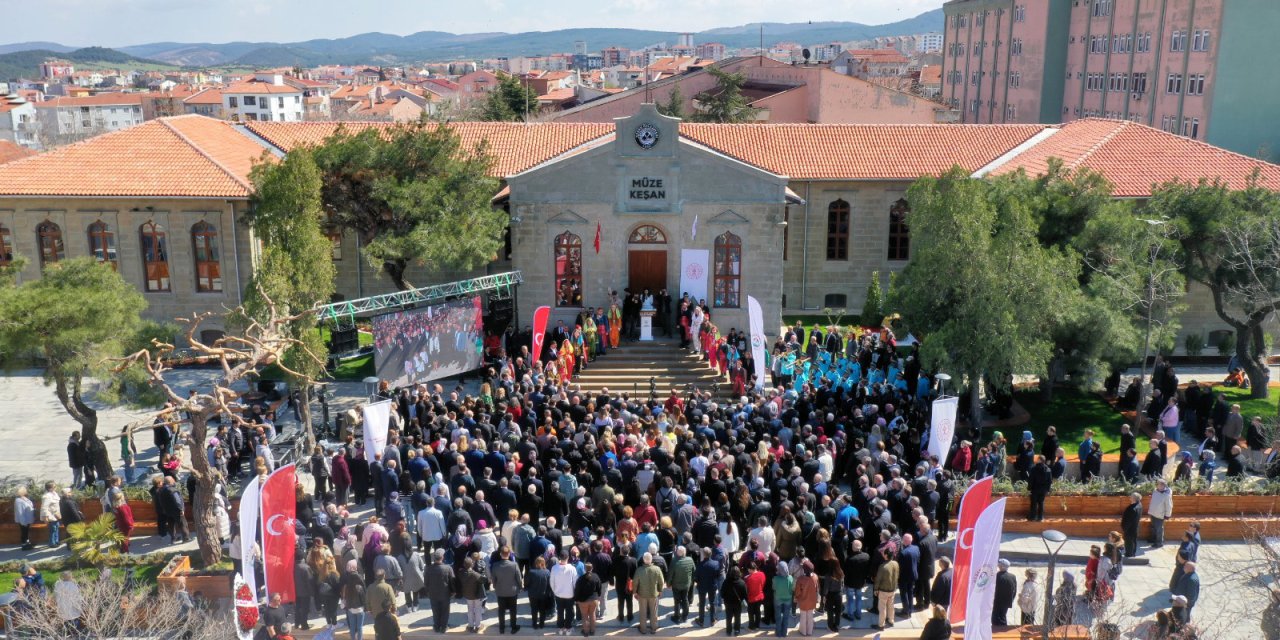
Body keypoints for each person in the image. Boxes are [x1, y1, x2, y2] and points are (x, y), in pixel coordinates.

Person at [491, 545, 523, 634]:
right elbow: (519, 579)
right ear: (509, 554)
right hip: (512, 592)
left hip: (500, 591)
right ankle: (513, 627)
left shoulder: (495, 565)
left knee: (501, 610)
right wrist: (520, 587)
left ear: (501, 554)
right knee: (513, 610)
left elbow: (494, 579)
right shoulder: (514, 565)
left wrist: (495, 586)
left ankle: (502, 628)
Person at [633, 552, 665, 635]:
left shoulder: (639, 570)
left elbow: (635, 582)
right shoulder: (657, 569)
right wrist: (660, 590)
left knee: (643, 612)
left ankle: (643, 629)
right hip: (654, 594)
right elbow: (661, 581)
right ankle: (653, 628)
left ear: (643, 560)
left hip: (642, 594)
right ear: (651, 560)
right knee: (654, 611)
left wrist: (635, 592)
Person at [551, 553, 579, 636]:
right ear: (568, 558)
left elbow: (552, 582)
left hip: (558, 594)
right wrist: (574, 592)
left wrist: (555, 591)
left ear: (559, 558)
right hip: (569, 594)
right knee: (569, 611)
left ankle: (560, 628)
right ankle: (568, 628)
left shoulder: (554, 568)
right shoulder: (572, 568)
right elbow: (575, 583)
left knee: (560, 611)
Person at [458, 556, 487, 632]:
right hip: (476, 595)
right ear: (472, 564)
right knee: (477, 610)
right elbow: (484, 580)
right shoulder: (475, 574)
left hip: (467, 595)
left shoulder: (461, 573)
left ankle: (470, 625)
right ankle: (477, 626)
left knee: (470, 610)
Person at [872, 548, 898, 631]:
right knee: (891, 606)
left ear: (886, 555)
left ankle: (881, 625)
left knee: (882, 608)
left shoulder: (883, 566)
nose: (883, 554)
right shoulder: (896, 563)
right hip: (892, 589)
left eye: (884, 553)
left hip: (884, 590)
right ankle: (891, 620)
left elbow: (878, 579)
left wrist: (876, 589)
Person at [527, 556, 554, 630]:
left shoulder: (531, 572)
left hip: (533, 595)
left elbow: (527, 583)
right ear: (543, 563)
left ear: (536, 563)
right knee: (542, 610)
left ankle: (534, 624)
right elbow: (549, 584)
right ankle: (542, 623)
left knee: (534, 610)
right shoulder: (547, 572)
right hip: (543, 595)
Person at [793, 561, 819, 637]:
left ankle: (803, 631)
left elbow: (797, 591)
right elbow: (817, 588)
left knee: (803, 617)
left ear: (804, 570)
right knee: (810, 617)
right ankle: (810, 631)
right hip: (812, 601)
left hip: (803, 601)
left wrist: (796, 597)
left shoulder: (800, 579)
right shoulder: (815, 577)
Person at [723, 564, 748, 637]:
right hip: (738, 603)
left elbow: (722, 593)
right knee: (737, 617)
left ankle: (729, 630)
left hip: (728, 603)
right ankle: (737, 630)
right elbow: (745, 594)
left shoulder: (726, 582)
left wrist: (725, 598)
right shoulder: (742, 583)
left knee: (729, 617)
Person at [1148, 479, 1173, 549]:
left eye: (1158, 484)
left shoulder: (1166, 495)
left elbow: (1169, 506)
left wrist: (1167, 515)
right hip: (1153, 513)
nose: (1157, 485)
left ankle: (1159, 543)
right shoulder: (1155, 491)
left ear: (1163, 485)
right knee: (1153, 527)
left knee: (1159, 530)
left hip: (1160, 515)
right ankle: (1153, 539)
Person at [772, 562, 796, 637]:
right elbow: (792, 589)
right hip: (788, 599)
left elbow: (774, 588)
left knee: (778, 617)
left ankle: (778, 633)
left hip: (778, 599)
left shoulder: (775, 578)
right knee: (786, 617)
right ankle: (784, 633)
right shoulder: (790, 578)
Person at [992, 559, 1016, 627]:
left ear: (1002, 566)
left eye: (999, 565)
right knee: (1003, 617)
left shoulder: (997, 576)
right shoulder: (1012, 576)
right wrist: (1011, 600)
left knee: (995, 618)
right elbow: (1014, 590)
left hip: (997, 601)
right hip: (1007, 601)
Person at [1027, 455, 1052, 522]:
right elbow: (1049, 481)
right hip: (1043, 490)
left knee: (1033, 503)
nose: (1036, 460)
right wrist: (1048, 490)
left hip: (1035, 489)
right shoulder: (1048, 469)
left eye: (1037, 459)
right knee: (1041, 503)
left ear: (1040, 460)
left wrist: (1029, 488)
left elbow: (1031, 480)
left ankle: (1032, 517)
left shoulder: (1034, 469)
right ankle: (1040, 517)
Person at [40, 482, 61, 549]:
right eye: (54, 486)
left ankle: (56, 541)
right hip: (51, 516)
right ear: (50, 488)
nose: (56, 487)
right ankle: (52, 543)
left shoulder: (55, 494)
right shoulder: (46, 496)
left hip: (56, 515)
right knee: (53, 529)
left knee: (56, 528)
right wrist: (45, 517)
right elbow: (44, 507)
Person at [1121, 492, 1142, 558]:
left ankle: (1129, 554)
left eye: (1131, 497)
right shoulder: (1140, 505)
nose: (1130, 497)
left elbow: (1128, 521)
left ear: (1134, 499)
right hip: (1135, 527)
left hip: (1130, 529)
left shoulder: (1132, 509)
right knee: (1133, 541)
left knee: (1129, 541)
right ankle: (1133, 552)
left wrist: (1124, 528)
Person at [14, 486, 35, 550]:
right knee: (24, 532)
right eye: (25, 490)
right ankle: (24, 545)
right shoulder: (18, 500)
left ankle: (27, 543)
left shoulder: (24, 498)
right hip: (23, 520)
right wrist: (23, 522)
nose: (26, 491)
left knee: (26, 532)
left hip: (27, 519)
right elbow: (20, 512)